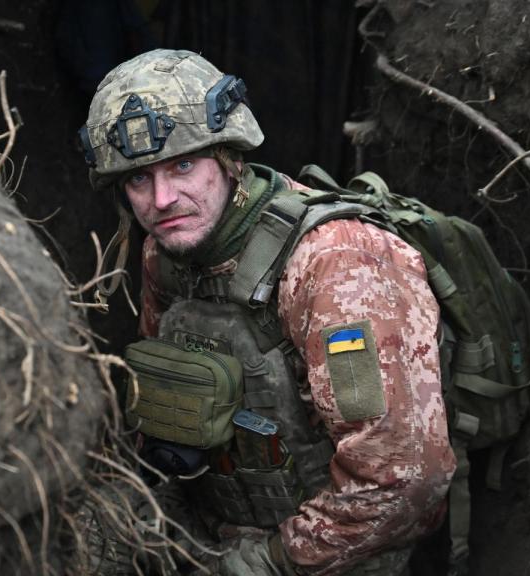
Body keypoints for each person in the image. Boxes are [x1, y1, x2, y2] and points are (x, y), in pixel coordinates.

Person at [78, 48, 456, 576]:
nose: (162, 199)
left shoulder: (335, 264)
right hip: (223, 530)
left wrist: (268, 561)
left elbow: (401, 481)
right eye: (139, 179)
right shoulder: (165, 255)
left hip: (338, 555)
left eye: (183, 166)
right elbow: (168, 401)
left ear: (230, 158)